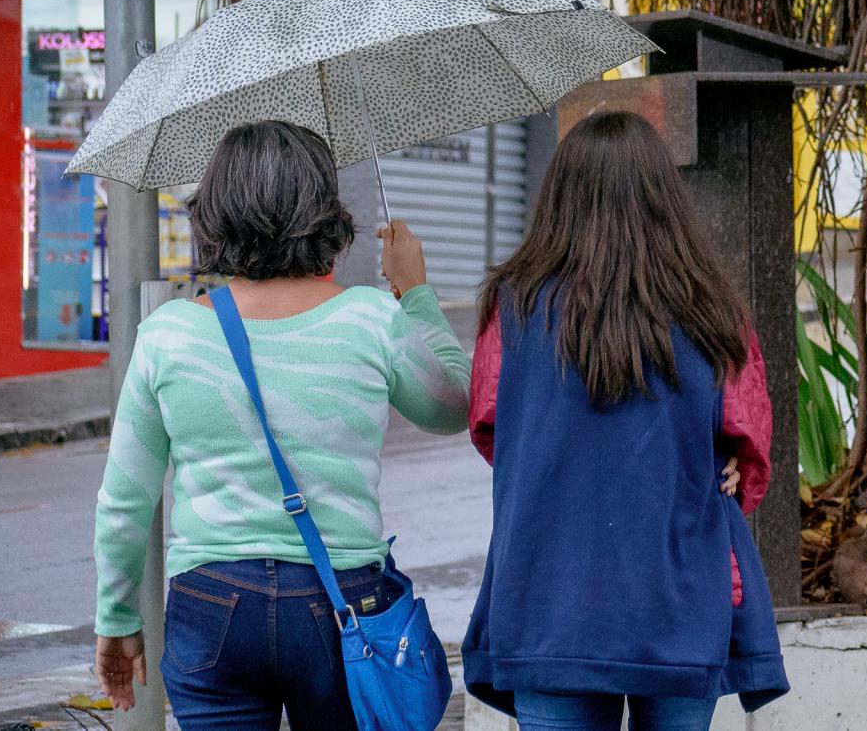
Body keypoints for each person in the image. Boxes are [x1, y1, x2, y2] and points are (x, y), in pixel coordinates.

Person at [92, 120, 472, 729]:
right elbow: (455, 405)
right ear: (325, 212)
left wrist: (116, 619)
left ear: (213, 214)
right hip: (341, 600)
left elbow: (123, 502)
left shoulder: (168, 335)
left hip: (211, 605)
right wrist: (416, 291)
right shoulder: (371, 319)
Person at [462, 110, 789, 731]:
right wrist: (724, 462)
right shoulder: (713, 311)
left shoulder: (512, 306)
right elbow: (750, 437)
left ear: (558, 198)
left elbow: (491, 429)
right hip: (678, 601)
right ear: (666, 200)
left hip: (547, 603)